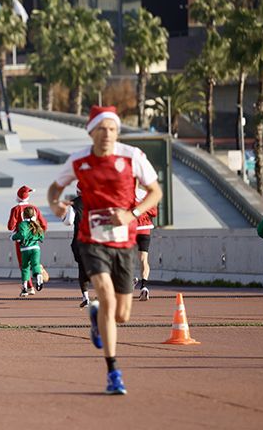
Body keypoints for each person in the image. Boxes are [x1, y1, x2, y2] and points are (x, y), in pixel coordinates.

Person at [48, 105, 162, 396]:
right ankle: (113, 372)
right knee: (106, 295)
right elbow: (54, 189)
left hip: (124, 241)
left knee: (121, 314)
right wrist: (55, 205)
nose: (108, 134)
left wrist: (131, 213)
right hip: (92, 239)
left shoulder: (133, 156)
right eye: (102, 129)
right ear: (91, 131)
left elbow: (155, 192)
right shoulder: (78, 160)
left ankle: (98, 317)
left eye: (113, 129)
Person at [7, 186, 48, 294]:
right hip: (34, 242)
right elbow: (44, 224)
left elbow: (10, 227)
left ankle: (28, 287)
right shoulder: (34, 208)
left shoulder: (15, 209)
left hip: (21, 243)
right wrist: (37, 234)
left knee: (24, 265)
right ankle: (38, 270)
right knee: (34, 262)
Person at [64, 189, 93, 308]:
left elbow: (69, 221)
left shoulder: (74, 203)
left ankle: (86, 297)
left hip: (80, 240)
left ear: (77, 191)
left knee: (82, 268)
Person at [11, 206, 45, 297]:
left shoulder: (22, 224)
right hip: (36, 249)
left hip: (25, 249)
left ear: (23, 215)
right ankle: (38, 276)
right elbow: (42, 237)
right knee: (35, 264)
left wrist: (13, 237)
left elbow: (22, 234)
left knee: (25, 267)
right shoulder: (36, 224)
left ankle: (25, 288)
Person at [134, 185, 158, 302]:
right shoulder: (145, 195)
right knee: (144, 259)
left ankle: (129, 280)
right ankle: (144, 286)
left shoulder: (124, 194)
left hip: (130, 230)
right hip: (145, 229)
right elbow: (154, 212)